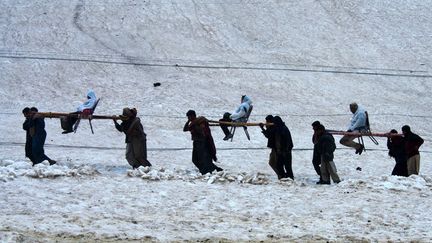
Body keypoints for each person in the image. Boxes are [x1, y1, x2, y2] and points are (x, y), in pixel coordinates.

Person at [183, 110, 222, 174]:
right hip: (196, 142)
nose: (188, 118)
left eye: (189, 117)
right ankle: (205, 170)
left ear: (193, 116)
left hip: (202, 142)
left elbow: (202, 132)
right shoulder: (193, 123)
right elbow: (185, 129)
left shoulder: (200, 122)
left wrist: (195, 127)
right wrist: (188, 122)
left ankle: (210, 171)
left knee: (204, 159)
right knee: (195, 159)